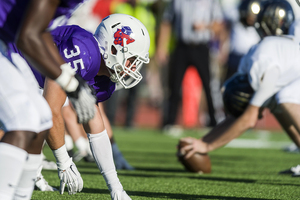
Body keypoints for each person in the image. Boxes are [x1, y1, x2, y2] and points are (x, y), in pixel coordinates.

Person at [27, 13, 149, 199]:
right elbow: (50, 110)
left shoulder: (104, 81)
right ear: (114, 49)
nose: (133, 68)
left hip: (26, 80)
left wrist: (116, 188)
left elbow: (96, 128)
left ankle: (27, 171)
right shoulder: (84, 50)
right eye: (132, 60)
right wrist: (64, 161)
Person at [178, 0, 300, 176]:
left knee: (284, 97)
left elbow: (249, 119)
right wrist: (202, 142)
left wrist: (208, 146)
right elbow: (238, 116)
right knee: (276, 101)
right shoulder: (252, 57)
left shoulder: (262, 60)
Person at [0, 0, 96, 199]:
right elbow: (28, 37)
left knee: (42, 117)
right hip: (6, 42)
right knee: (22, 121)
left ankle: (21, 195)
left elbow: (42, 31)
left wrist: (70, 75)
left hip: (7, 43)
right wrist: (70, 85)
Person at [156, 0, 224, 129]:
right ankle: (169, 122)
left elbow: (219, 25)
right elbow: (167, 22)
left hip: (201, 47)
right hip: (182, 46)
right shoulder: (177, 1)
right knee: (174, 85)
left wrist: (204, 26)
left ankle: (213, 120)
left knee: (208, 85)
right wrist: (161, 47)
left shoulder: (211, 2)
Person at [222, 0, 261, 82]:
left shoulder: (261, 11)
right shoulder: (236, 11)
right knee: (228, 83)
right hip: (235, 58)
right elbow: (224, 25)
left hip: (251, 59)